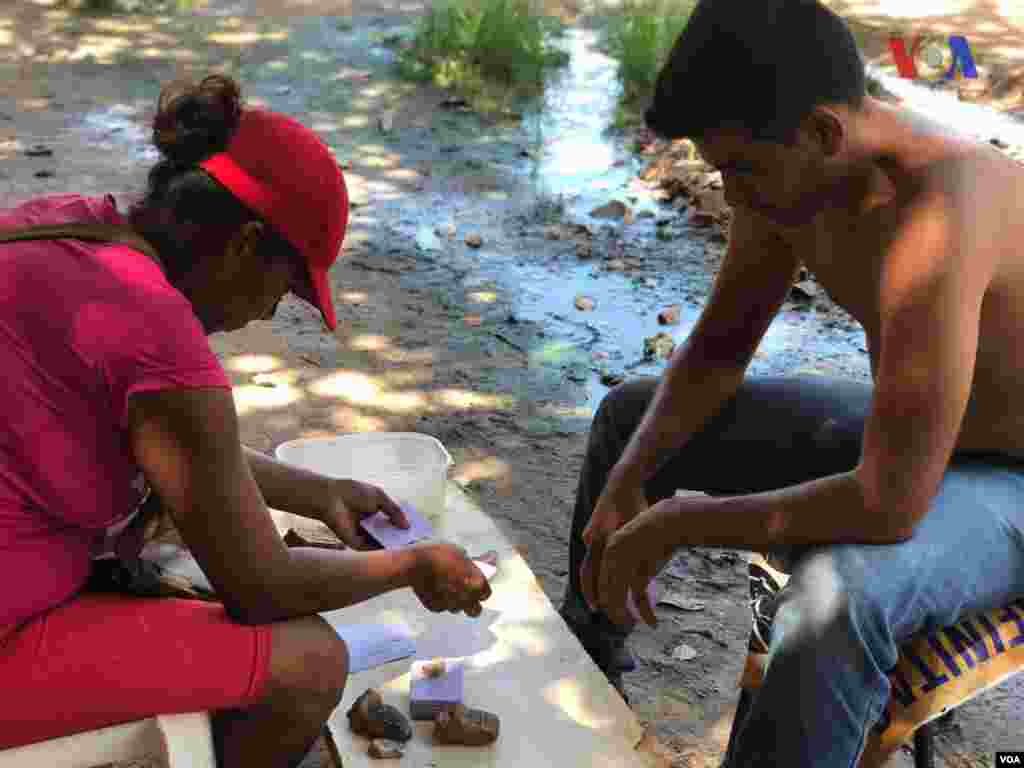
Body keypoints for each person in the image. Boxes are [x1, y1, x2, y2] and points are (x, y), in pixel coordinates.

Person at [559, 0, 1024, 765]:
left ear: (822, 133)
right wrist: (630, 481)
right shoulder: (792, 177)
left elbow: (886, 505)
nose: (731, 194)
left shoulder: (939, 210)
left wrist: (680, 520)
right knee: (626, 423)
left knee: (830, 597)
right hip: (920, 436)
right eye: (720, 169)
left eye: (741, 169)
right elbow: (716, 352)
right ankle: (584, 686)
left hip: (1007, 477)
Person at [0, 74, 491, 766]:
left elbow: (153, 437)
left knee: (167, 554)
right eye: (284, 289)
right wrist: (412, 564)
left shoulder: (72, 225)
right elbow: (262, 588)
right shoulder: (157, 333)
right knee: (309, 661)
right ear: (245, 244)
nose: (267, 313)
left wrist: (309, 490)